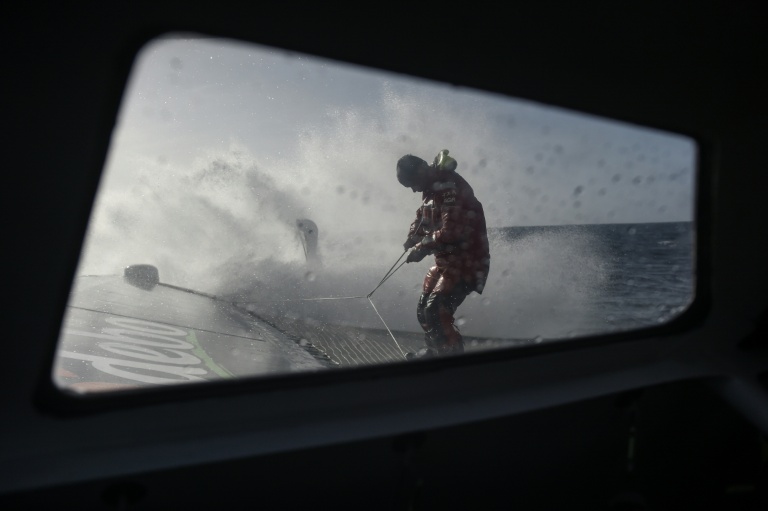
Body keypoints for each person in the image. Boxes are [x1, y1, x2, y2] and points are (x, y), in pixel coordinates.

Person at [396, 150, 491, 358]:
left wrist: (422, 248)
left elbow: (452, 230)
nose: (413, 190)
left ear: (422, 170)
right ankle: (435, 352)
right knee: (423, 310)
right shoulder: (430, 190)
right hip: (446, 262)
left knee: (437, 311)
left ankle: (452, 361)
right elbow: (423, 216)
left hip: (468, 262)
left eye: (412, 184)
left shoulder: (450, 187)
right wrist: (413, 237)